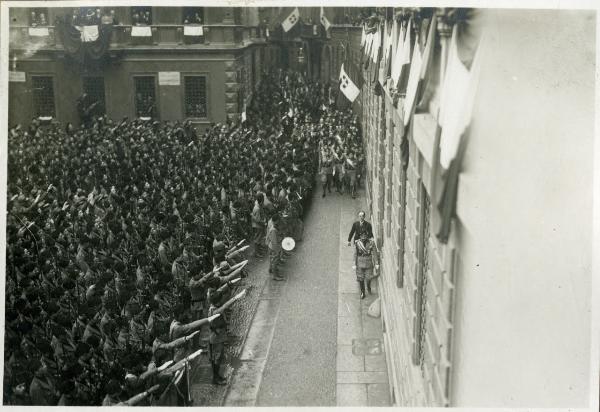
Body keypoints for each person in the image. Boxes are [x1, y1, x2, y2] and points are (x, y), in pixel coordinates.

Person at [352, 231, 380, 299]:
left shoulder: (371, 243)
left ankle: (368, 287)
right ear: (360, 236)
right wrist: (354, 263)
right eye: (362, 236)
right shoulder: (357, 243)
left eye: (365, 236)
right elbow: (355, 254)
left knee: (369, 277)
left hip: (368, 262)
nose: (363, 237)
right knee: (360, 278)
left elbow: (375, 253)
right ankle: (362, 292)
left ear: (367, 236)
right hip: (360, 262)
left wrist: (376, 263)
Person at [266, 213, 283, 280]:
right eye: (279, 220)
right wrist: (277, 251)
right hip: (273, 248)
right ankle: (275, 276)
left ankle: (273, 271)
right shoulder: (273, 230)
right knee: (275, 261)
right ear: (276, 220)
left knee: (273, 260)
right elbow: (274, 242)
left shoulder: (273, 225)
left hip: (272, 247)